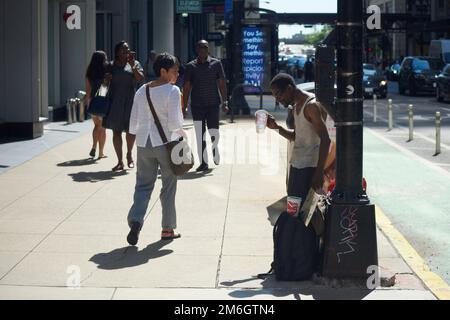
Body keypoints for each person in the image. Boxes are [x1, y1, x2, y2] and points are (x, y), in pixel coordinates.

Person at [126, 53, 186, 245]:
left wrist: (130, 148)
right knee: (168, 186)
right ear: (163, 71)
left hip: (143, 143)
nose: (177, 74)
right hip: (165, 144)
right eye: (174, 71)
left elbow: (133, 122)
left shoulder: (142, 90)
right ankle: (167, 229)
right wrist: (182, 134)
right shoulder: (173, 91)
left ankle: (136, 221)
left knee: (143, 185)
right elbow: (175, 123)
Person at [266, 73, 331, 203]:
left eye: (279, 94)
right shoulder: (296, 106)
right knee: (294, 209)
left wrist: (319, 172)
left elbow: (326, 139)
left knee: (303, 212)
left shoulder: (311, 106)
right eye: (275, 97)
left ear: (289, 88)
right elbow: (297, 136)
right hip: (297, 165)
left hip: (309, 168)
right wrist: (276, 127)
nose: (278, 99)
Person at [183, 40, 229, 172]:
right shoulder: (190, 66)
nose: (203, 50)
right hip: (197, 106)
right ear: (197, 50)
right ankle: (204, 162)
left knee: (213, 131)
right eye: (200, 47)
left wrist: (225, 102)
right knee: (199, 135)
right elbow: (186, 87)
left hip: (213, 104)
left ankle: (215, 149)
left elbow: (221, 83)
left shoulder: (216, 64)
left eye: (205, 47)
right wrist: (184, 106)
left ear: (208, 49)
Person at [103, 41, 145, 172]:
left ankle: (129, 155)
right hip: (115, 102)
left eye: (127, 49)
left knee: (131, 130)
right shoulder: (110, 65)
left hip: (131, 102)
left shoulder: (135, 63)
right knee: (116, 131)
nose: (126, 51)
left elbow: (140, 79)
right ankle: (120, 161)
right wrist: (106, 81)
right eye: (123, 49)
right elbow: (103, 88)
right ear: (117, 52)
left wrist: (133, 67)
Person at [85, 51, 108, 160]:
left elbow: (88, 90)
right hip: (103, 101)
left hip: (93, 102)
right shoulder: (106, 71)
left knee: (96, 126)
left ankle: (94, 146)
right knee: (102, 128)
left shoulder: (89, 72)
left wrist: (88, 102)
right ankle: (101, 153)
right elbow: (105, 88)